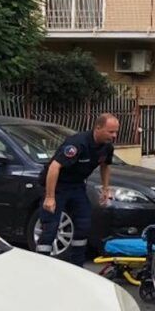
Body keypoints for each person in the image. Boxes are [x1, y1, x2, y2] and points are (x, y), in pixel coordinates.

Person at [38, 113, 119, 266]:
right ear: (98, 128)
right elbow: (54, 167)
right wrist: (50, 197)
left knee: (84, 224)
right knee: (51, 228)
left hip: (77, 186)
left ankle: (77, 266)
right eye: (110, 132)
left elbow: (105, 166)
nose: (114, 135)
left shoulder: (107, 147)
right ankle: (41, 265)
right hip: (58, 186)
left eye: (116, 132)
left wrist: (105, 188)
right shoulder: (77, 144)